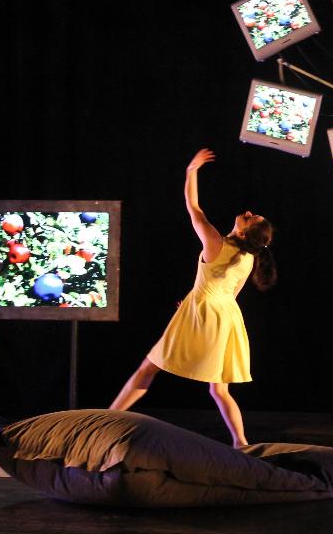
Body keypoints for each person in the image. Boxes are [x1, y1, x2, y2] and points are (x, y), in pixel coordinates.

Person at [110, 148, 276, 447]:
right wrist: (194, 302)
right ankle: (240, 442)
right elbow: (231, 294)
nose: (248, 213)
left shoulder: (215, 242)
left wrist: (191, 170)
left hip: (204, 311)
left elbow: (193, 207)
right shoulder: (248, 258)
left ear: (243, 233)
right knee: (219, 389)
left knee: (148, 369)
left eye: (251, 219)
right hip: (226, 317)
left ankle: (107, 420)